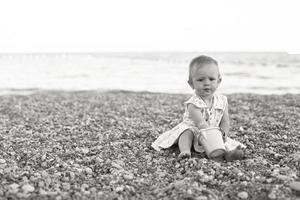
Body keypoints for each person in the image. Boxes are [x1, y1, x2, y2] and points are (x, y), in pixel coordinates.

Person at [152, 55, 245, 160]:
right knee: (186, 132)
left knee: (224, 142)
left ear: (218, 81)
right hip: (196, 130)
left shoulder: (222, 100)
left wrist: (223, 134)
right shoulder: (193, 103)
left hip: (214, 132)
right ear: (191, 84)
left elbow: (225, 121)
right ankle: (185, 151)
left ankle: (227, 153)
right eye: (200, 80)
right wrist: (212, 136)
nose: (206, 83)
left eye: (211, 79)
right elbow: (201, 123)